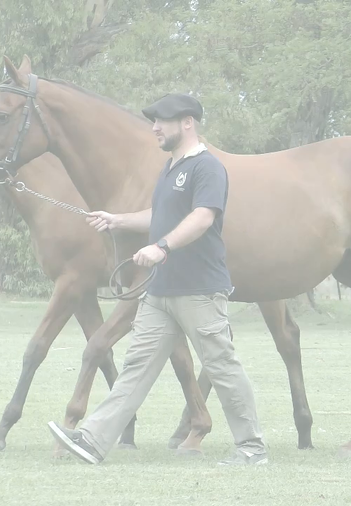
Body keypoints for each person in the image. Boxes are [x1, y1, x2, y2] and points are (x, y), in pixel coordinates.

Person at [47, 92, 268, 466]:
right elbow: (160, 215)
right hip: (160, 289)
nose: (154, 127)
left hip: (199, 289)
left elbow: (203, 217)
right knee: (136, 366)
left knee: (221, 365)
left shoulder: (207, 167)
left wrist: (162, 247)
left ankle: (251, 447)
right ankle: (93, 441)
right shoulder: (169, 169)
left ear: (187, 123)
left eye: (161, 121)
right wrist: (118, 219)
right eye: (153, 121)